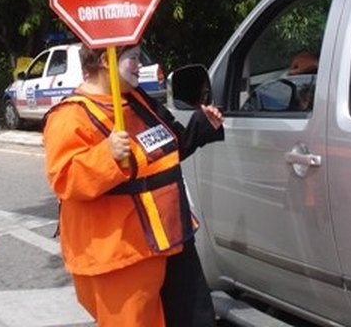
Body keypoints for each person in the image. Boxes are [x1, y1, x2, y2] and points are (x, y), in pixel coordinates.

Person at [43, 44, 224, 327]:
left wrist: (202, 126)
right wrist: (107, 154)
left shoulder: (139, 101)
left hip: (170, 238)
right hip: (122, 255)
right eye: (133, 58)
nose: (140, 65)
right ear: (106, 61)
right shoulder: (70, 115)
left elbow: (168, 149)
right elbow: (65, 180)